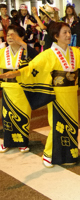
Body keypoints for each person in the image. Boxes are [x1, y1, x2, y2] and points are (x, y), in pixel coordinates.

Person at [0, 22, 80, 168]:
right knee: (57, 124)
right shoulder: (48, 54)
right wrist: (18, 72)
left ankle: (69, 154)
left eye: (69, 32)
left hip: (71, 93)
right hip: (56, 94)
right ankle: (49, 153)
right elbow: (33, 67)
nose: (68, 35)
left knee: (72, 123)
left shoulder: (77, 52)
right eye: (64, 32)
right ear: (55, 36)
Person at [0, 25, 39, 153]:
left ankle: (22, 142)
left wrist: (23, 44)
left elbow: (39, 60)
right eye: (8, 34)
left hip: (23, 89)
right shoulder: (2, 51)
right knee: (7, 117)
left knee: (23, 116)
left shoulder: (27, 52)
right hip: (7, 89)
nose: (9, 37)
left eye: (13, 35)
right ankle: (7, 142)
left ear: (21, 37)